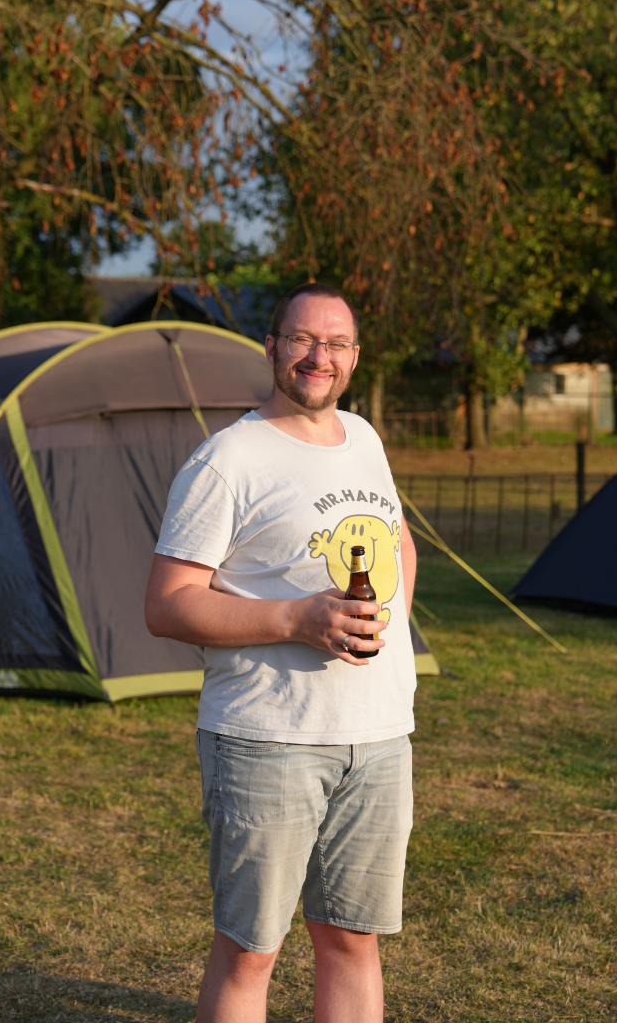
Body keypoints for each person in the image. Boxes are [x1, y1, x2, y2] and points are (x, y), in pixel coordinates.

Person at [145, 282, 417, 1023]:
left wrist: (392, 628)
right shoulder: (226, 460)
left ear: (355, 356)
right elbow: (167, 604)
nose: (318, 357)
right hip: (266, 740)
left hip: (378, 737)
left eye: (336, 343)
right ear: (271, 348)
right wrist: (296, 618)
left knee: (354, 940)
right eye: (302, 339)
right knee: (251, 951)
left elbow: (397, 538)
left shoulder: (364, 438)